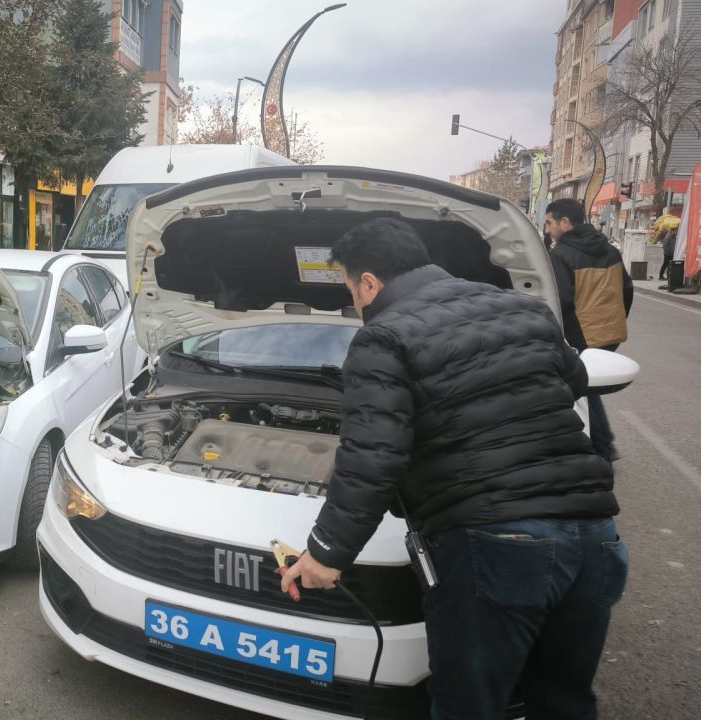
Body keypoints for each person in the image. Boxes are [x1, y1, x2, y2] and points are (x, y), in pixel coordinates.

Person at [280, 218, 626, 720]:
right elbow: (571, 384)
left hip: (496, 548)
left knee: (471, 707)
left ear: (371, 283)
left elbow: (373, 458)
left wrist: (326, 553)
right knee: (563, 701)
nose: (355, 302)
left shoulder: (384, 337)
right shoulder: (528, 310)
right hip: (596, 538)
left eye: (351, 288)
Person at [545, 198, 633, 462]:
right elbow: (626, 290)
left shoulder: (560, 255)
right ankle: (602, 443)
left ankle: (602, 447)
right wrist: (614, 319)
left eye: (549, 223)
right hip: (609, 332)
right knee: (590, 387)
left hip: (579, 334)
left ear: (565, 222)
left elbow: (559, 300)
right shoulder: (609, 250)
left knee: (582, 386)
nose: (548, 229)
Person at [654, 205, 682, 283]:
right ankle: (661, 276)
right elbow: (665, 245)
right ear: (672, 230)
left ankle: (668, 276)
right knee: (665, 264)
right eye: (675, 231)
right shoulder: (668, 237)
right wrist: (668, 252)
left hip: (671, 253)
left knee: (669, 265)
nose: (676, 232)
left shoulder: (673, 237)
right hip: (668, 254)